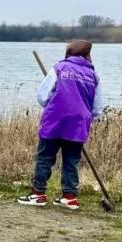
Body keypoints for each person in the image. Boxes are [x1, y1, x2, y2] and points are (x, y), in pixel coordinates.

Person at [19, 40, 103, 210]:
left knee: (45, 158)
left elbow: (43, 96)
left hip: (54, 120)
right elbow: (97, 107)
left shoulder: (59, 68)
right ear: (87, 54)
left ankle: (38, 194)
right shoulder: (93, 76)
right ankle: (70, 197)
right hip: (79, 124)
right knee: (71, 160)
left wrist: (54, 105)